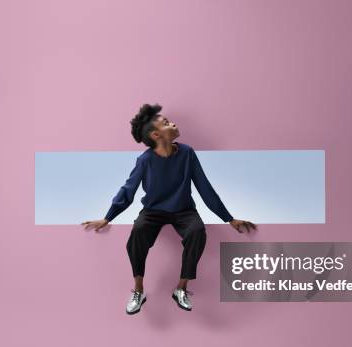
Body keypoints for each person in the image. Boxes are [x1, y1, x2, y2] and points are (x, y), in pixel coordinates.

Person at [82, 103, 256, 315]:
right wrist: (107, 218)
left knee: (197, 232)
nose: (173, 124)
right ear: (156, 135)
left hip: (184, 210)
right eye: (166, 123)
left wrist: (229, 219)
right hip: (153, 211)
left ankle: (181, 289)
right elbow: (128, 190)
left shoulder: (187, 153)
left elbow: (204, 188)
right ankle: (139, 290)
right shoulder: (145, 160)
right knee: (137, 233)